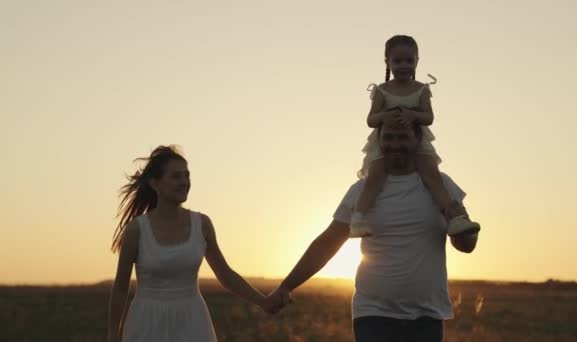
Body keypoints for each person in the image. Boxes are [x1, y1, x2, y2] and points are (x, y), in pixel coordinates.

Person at [267, 120, 480, 341]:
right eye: (388, 137)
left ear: (418, 139)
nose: (395, 144)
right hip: (373, 315)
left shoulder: (441, 186)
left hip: (427, 316)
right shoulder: (361, 191)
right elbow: (328, 242)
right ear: (378, 141)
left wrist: (458, 223)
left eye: (403, 137)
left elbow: (467, 245)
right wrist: (286, 286)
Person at [106, 145, 273, 342]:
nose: (184, 182)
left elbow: (225, 275)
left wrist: (263, 302)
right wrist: (112, 334)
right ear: (155, 183)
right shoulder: (137, 230)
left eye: (187, 176)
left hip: (193, 322)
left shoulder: (202, 225)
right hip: (147, 323)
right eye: (176, 176)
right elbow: (121, 287)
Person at [350, 34, 480, 238]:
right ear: (387, 62)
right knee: (375, 177)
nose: (403, 65)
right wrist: (384, 115)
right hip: (386, 143)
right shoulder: (382, 90)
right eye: (397, 61)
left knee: (432, 176)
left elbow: (429, 117)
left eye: (409, 60)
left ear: (417, 61)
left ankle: (453, 218)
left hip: (416, 142)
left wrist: (413, 115)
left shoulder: (421, 90)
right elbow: (371, 120)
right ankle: (358, 218)